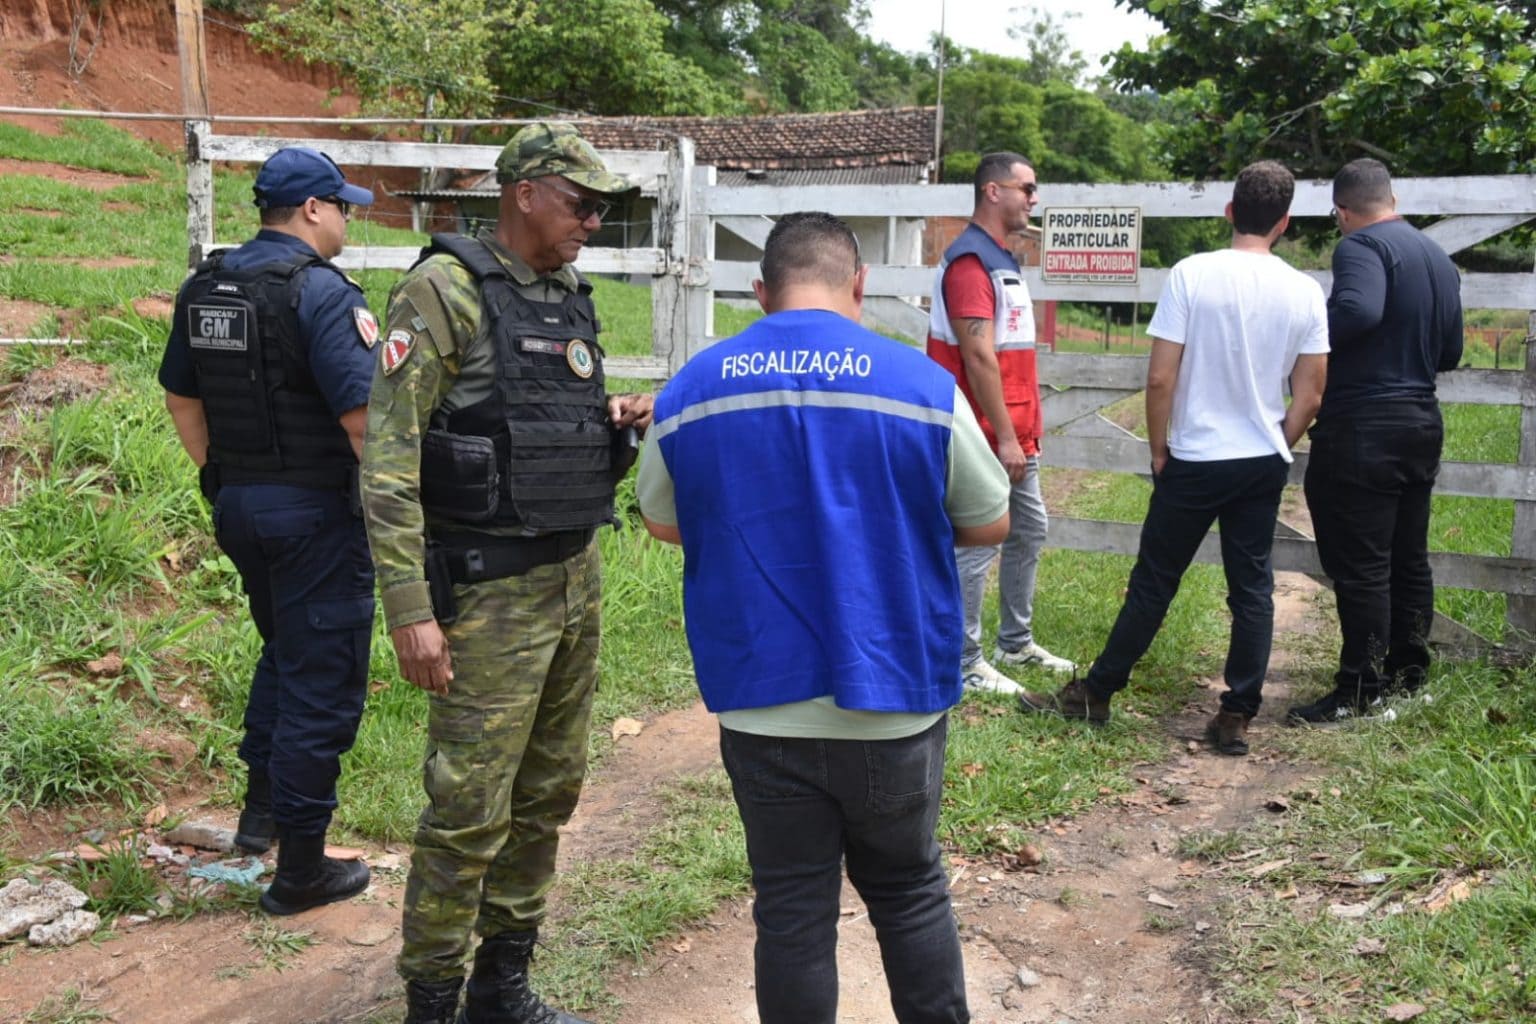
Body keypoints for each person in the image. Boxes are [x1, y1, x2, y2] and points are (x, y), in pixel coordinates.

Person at [638, 212, 1010, 1024]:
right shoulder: (920, 384)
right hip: (894, 694)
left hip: (760, 697)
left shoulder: (693, 388)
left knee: (791, 908)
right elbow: (990, 521)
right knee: (909, 890)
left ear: (760, 291)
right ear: (860, 284)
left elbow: (663, 521)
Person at [360, 121, 651, 1024]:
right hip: (486, 595)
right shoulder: (443, 292)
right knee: (468, 809)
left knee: (547, 794)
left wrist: (610, 429)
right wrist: (409, 609)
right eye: (581, 204)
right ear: (524, 193)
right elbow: (388, 463)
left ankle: (502, 987)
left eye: (601, 210)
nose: (593, 223)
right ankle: (432, 1001)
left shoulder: (566, 297)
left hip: (572, 583)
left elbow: (526, 433)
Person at [1020, 160, 1329, 756]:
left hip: (1195, 456)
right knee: (1252, 589)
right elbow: (1311, 393)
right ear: (1285, 222)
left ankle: (1097, 693)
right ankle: (1237, 713)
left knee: (1155, 581)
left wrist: (1159, 449)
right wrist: (1277, 442)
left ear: (1230, 211)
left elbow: (1161, 378)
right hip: (1260, 457)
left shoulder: (1193, 273)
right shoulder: (1305, 290)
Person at [159, 146, 378, 913]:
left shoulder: (208, 284)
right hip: (315, 514)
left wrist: (225, 477)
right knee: (323, 679)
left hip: (242, 508)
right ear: (313, 209)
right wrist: (400, 517)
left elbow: (181, 398)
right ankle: (301, 873)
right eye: (342, 206)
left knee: (286, 651)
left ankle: (261, 817)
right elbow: (362, 421)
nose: (347, 219)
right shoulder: (320, 293)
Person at [1288, 157, 1463, 723]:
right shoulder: (1436, 256)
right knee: (1409, 558)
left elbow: (1359, 309)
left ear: (1342, 212)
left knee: (1361, 564)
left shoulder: (1360, 247)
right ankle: (1408, 677)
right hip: (1421, 421)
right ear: (1392, 199)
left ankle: (1358, 689)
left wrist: (1310, 344)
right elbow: (1452, 351)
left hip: (1365, 425)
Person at [927, 151, 1074, 697]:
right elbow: (978, 355)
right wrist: (1005, 436)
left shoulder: (998, 258)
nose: (1034, 198)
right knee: (976, 543)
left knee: (1028, 528)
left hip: (1013, 432)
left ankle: (1015, 641)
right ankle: (964, 659)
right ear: (994, 191)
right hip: (986, 435)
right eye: (1026, 188)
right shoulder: (971, 263)